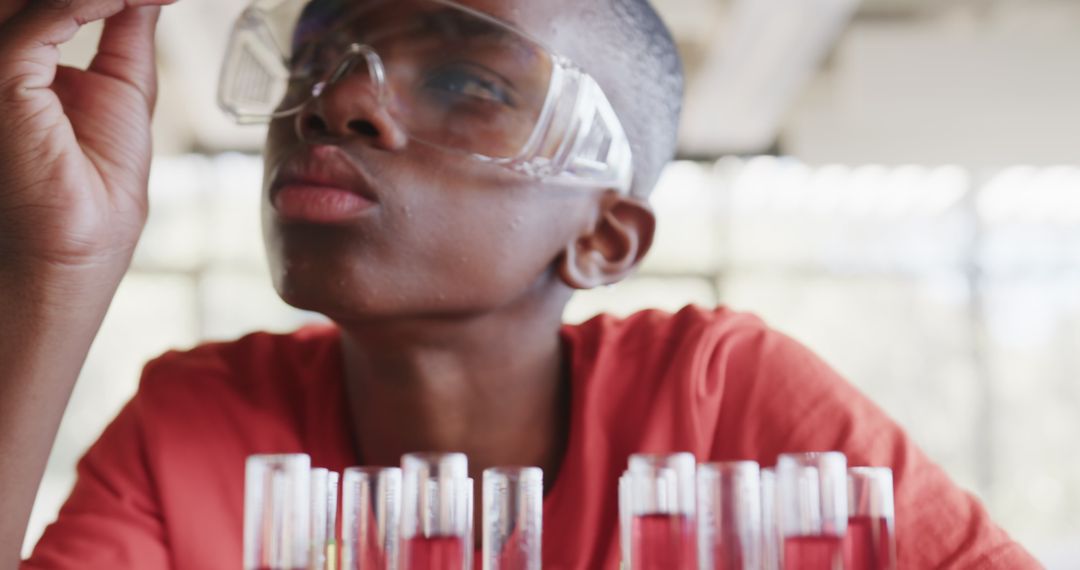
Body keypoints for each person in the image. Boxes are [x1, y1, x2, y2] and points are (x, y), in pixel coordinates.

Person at [0, 0, 1040, 567]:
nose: (338, 101)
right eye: (313, 62)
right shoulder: (201, 425)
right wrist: (51, 271)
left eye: (464, 81)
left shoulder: (723, 401)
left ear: (604, 239)